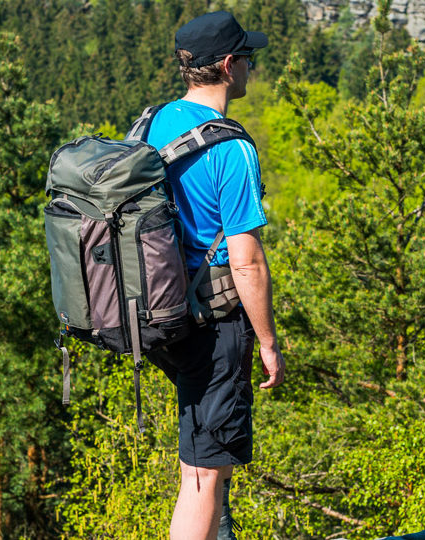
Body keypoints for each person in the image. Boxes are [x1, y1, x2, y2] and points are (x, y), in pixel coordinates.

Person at [144, 10, 286, 540]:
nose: (251, 66)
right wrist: (268, 342)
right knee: (203, 473)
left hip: (163, 309)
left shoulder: (157, 122)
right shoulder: (232, 147)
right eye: (248, 57)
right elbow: (247, 260)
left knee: (205, 459)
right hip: (214, 321)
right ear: (229, 66)